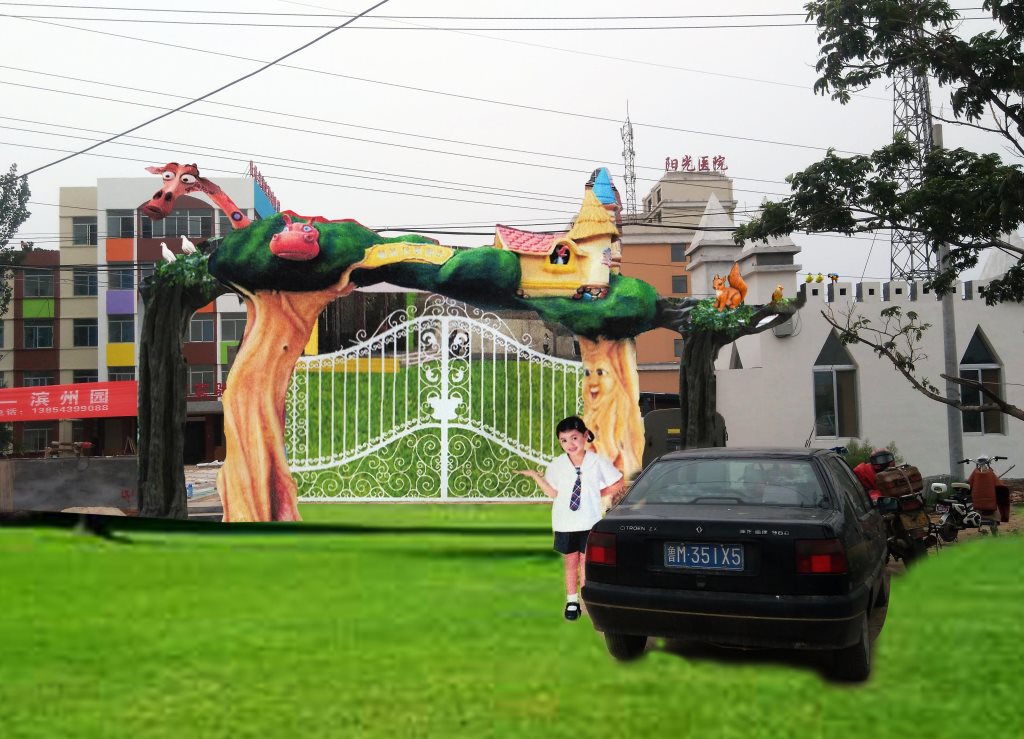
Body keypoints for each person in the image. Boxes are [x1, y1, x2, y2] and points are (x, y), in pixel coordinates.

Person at [518, 416, 624, 621]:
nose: (570, 444)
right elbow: (553, 493)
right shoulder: (557, 465)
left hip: (590, 520)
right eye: (564, 440)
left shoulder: (597, 462)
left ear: (585, 436)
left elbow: (618, 482)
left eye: (574, 438)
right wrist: (535, 476)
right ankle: (571, 601)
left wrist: (597, 493)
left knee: (586, 561)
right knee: (570, 561)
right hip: (565, 522)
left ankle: (586, 600)